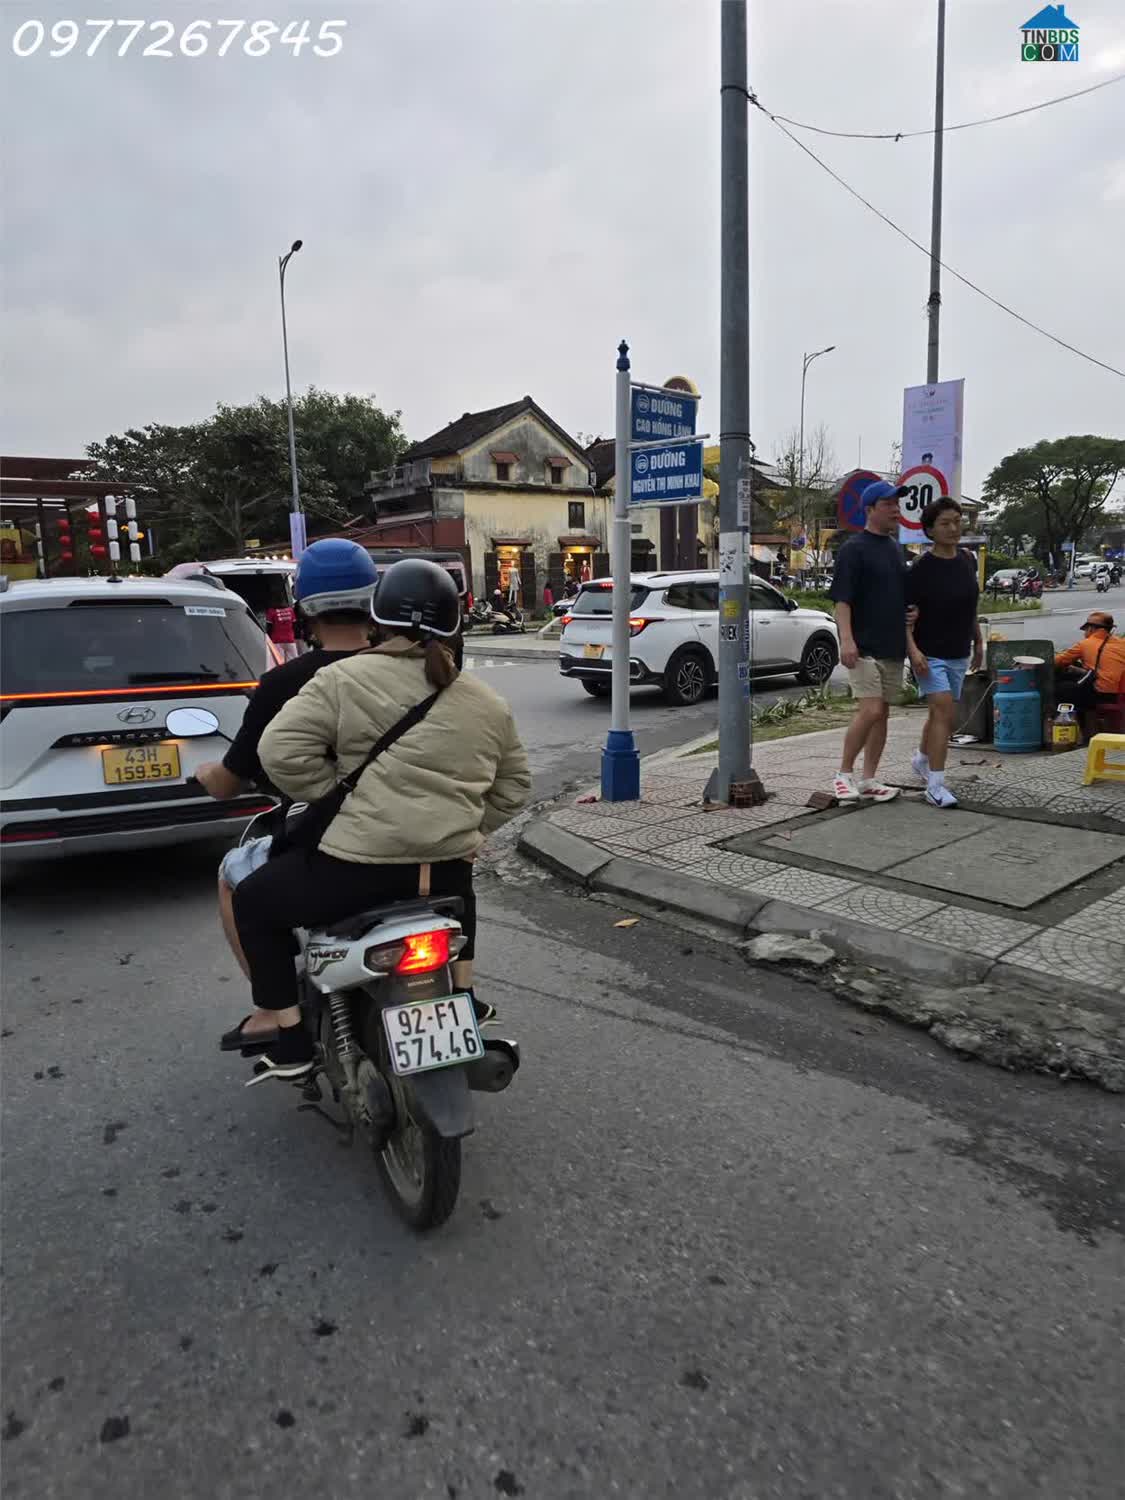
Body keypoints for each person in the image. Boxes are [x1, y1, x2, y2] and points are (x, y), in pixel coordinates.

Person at [230, 559, 531, 1084]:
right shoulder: (484, 699)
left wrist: (331, 795)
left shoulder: (340, 679)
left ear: (376, 620)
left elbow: (279, 753)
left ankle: (292, 1040)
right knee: (459, 888)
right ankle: (465, 997)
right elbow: (514, 786)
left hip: (354, 873)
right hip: (442, 874)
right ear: (455, 623)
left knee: (253, 901)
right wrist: (473, 829)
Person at [194, 539, 378, 1052]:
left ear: (303, 611)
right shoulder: (415, 669)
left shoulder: (284, 683)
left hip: (330, 850)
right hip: (421, 840)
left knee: (236, 879)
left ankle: (274, 1014)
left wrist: (209, 774)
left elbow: (231, 779)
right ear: (374, 602)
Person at [829, 481, 911, 804]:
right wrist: (846, 640)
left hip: (892, 644)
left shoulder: (895, 548)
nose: (896, 510)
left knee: (883, 714)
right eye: (888, 504)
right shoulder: (853, 549)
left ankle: (869, 779)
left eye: (897, 504)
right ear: (870, 509)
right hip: (863, 646)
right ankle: (843, 774)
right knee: (871, 710)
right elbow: (842, 600)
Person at [904, 497, 983, 809]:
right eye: (945, 523)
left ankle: (922, 760)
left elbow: (970, 607)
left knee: (939, 713)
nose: (953, 528)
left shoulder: (967, 560)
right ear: (929, 530)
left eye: (957, 522)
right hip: (929, 653)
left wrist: (979, 643)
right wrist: (913, 651)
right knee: (945, 713)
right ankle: (935, 786)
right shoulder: (920, 569)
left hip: (959, 650)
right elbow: (906, 616)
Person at [1053, 612, 1125, 740]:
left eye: (1085, 629)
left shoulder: (1085, 644)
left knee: (1062, 690)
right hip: (1121, 692)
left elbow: (1057, 661)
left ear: (1091, 629)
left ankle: (1081, 731)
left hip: (1106, 694)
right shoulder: (1121, 643)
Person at [266, 598, 300, 662]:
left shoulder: (271, 611)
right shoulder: (290, 610)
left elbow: (269, 628)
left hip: (276, 640)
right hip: (290, 639)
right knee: (293, 662)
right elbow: (295, 625)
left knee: (279, 662)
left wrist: (268, 640)